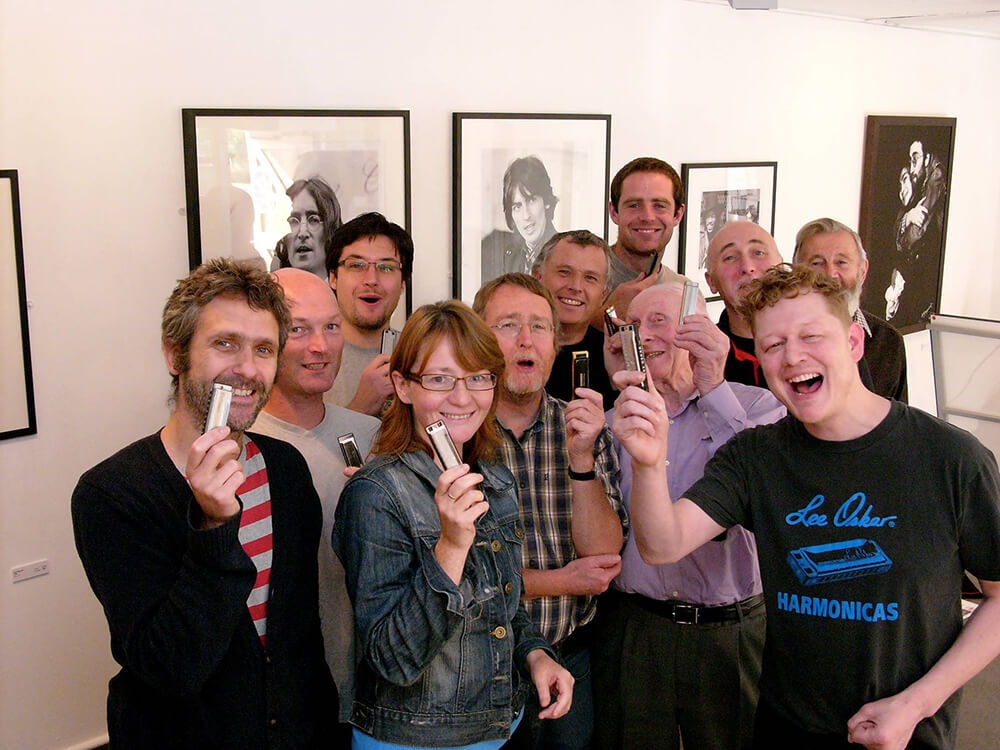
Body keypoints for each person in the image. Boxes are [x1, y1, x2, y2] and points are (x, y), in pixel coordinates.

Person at [614, 263, 1000, 749]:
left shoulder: (953, 459)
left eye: (812, 336)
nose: (793, 356)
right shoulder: (756, 455)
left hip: (908, 734)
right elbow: (662, 544)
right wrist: (649, 463)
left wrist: (918, 703)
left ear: (854, 343)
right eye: (773, 345)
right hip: (785, 730)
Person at [71, 259, 339, 748]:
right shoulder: (112, 493)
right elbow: (168, 668)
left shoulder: (285, 469)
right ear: (175, 355)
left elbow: (297, 635)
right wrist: (214, 526)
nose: (246, 368)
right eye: (224, 344)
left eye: (263, 349)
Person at [333, 300, 573, 749]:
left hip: (502, 724)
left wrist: (535, 655)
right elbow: (392, 659)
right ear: (403, 386)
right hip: (415, 739)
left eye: (478, 377)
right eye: (440, 379)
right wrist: (452, 545)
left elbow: (506, 602)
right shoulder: (376, 493)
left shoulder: (494, 474)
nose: (463, 398)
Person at [591, 281, 784, 750]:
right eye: (633, 327)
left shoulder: (760, 407)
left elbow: (758, 498)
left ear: (700, 327)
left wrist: (713, 387)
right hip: (637, 627)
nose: (645, 337)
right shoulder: (614, 421)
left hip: (730, 633)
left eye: (660, 321)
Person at [472, 274, 627, 749]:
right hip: (480, 664)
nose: (526, 339)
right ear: (478, 340)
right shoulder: (458, 433)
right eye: (508, 324)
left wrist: (581, 461)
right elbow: (466, 577)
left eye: (540, 327)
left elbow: (603, 556)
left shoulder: (582, 426)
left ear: (555, 346)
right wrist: (564, 580)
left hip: (571, 657)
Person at [251, 268, 379, 723]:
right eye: (299, 330)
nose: (321, 346)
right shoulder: (235, 447)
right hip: (280, 703)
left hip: (371, 688)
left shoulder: (372, 435)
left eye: (331, 326)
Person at [794, 217, 908, 402]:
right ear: (796, 273)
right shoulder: (780, 339)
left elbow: (898, 422)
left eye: (841, 262)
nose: (830, 274)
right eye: (816, 263)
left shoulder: (888, 341)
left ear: (862, 271)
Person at [325, 212, 414, 416]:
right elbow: (298, 446)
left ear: (402, 284)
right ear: (333, 278)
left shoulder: (421, 354)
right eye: (357, 265)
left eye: (386, 267)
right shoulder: (309, 356)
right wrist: (362, 406)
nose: (371, 279)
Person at [593, 157, 689, 329]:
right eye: (634, 205)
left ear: (678, 215)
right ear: (614, 212)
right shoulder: (580, 278)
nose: (647, 217)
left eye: (659, 205)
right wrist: (609, 313)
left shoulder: (685, 292)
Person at [532, 230, 618, 410]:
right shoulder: (508, 346)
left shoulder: (615, 357)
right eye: (564, 272)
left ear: (604, 294)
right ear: (537, 276)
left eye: (590, 278)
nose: (575, 286)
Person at [705, 220, 783, 389]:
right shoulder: (704, 356)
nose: (747, 267)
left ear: (781, 266)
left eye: (759, 253)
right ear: (711, 282)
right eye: (730, 257)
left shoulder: (817, 345)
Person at [482, 156, 559, 282]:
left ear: (546, 202)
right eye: (517, 206)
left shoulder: (564, 253)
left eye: (531, 200)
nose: (526, 215)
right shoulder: (510, 257)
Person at [273, 176, 344, 279]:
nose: (302, 233)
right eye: (294, 220)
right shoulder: (275, 291)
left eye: (314, 220)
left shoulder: (347, 292)